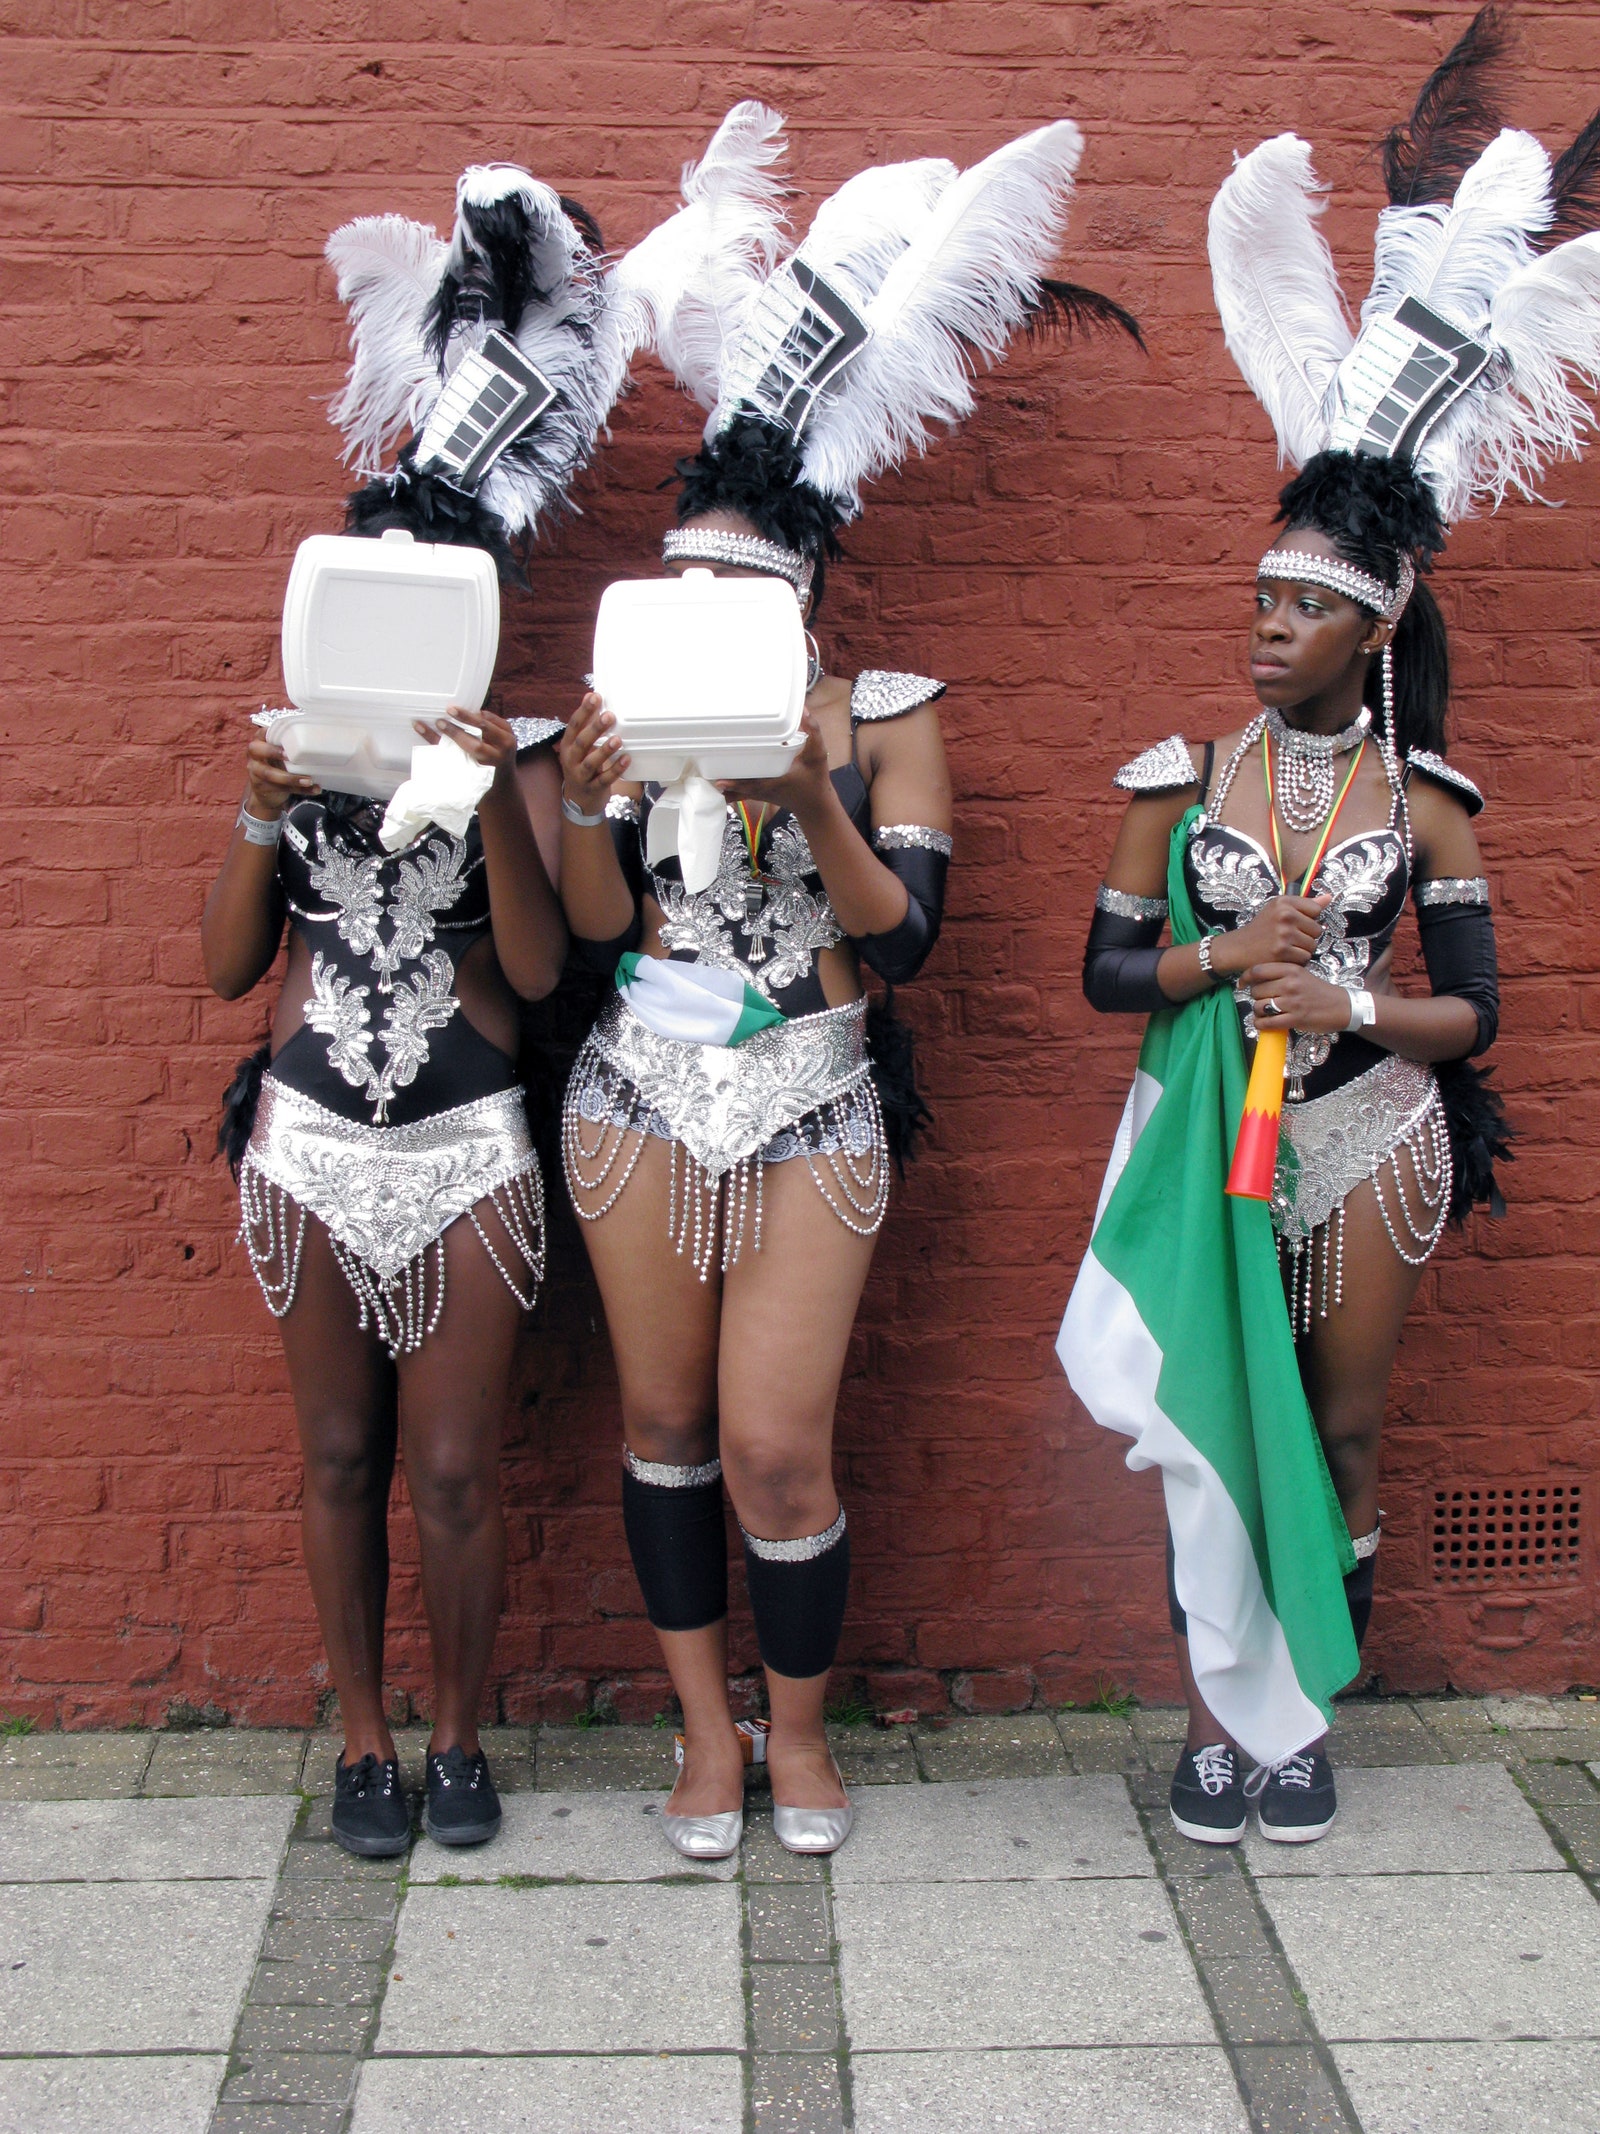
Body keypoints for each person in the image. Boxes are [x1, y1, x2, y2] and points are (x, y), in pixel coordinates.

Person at [557, 103, 1140, 1860]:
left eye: (749, 596)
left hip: (812, 1085)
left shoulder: (884, 717)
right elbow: (590, 932)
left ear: (804, 599)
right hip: (638, 1083)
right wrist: (594, 791)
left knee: (772, 1446)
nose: (711, 607)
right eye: (689, 586)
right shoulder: (624, 698)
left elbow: (905, 943)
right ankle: (706, 1737)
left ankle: (799, 1732)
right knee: (662, 1424)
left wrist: (806, 779)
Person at [1060, 7, 1600, 1846]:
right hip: (1209, 1135)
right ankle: (1222, 1715)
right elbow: (1103, 974)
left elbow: (1485, 1018)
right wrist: (1224, 964)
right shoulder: (1170, 782)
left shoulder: (1430, 803)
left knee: (1344, 1437)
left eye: (1305, 605)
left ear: (1375, 629)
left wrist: (1352, 1001)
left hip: (1367, 1144)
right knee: (1219, 1433)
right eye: (1259, 596)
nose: (1267, 624)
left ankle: (1304, 1724)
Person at [202, 166, 628, 1857]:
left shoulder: (510, 760)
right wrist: (254, 807)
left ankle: (457, 1737)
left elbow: (534, 976)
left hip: (463, 1141)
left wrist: (479, 804)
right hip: (310, 1132)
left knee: (454, 1470)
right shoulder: (291, 751)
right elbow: (234, 969)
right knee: (334, 1455)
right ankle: (361, 1743)